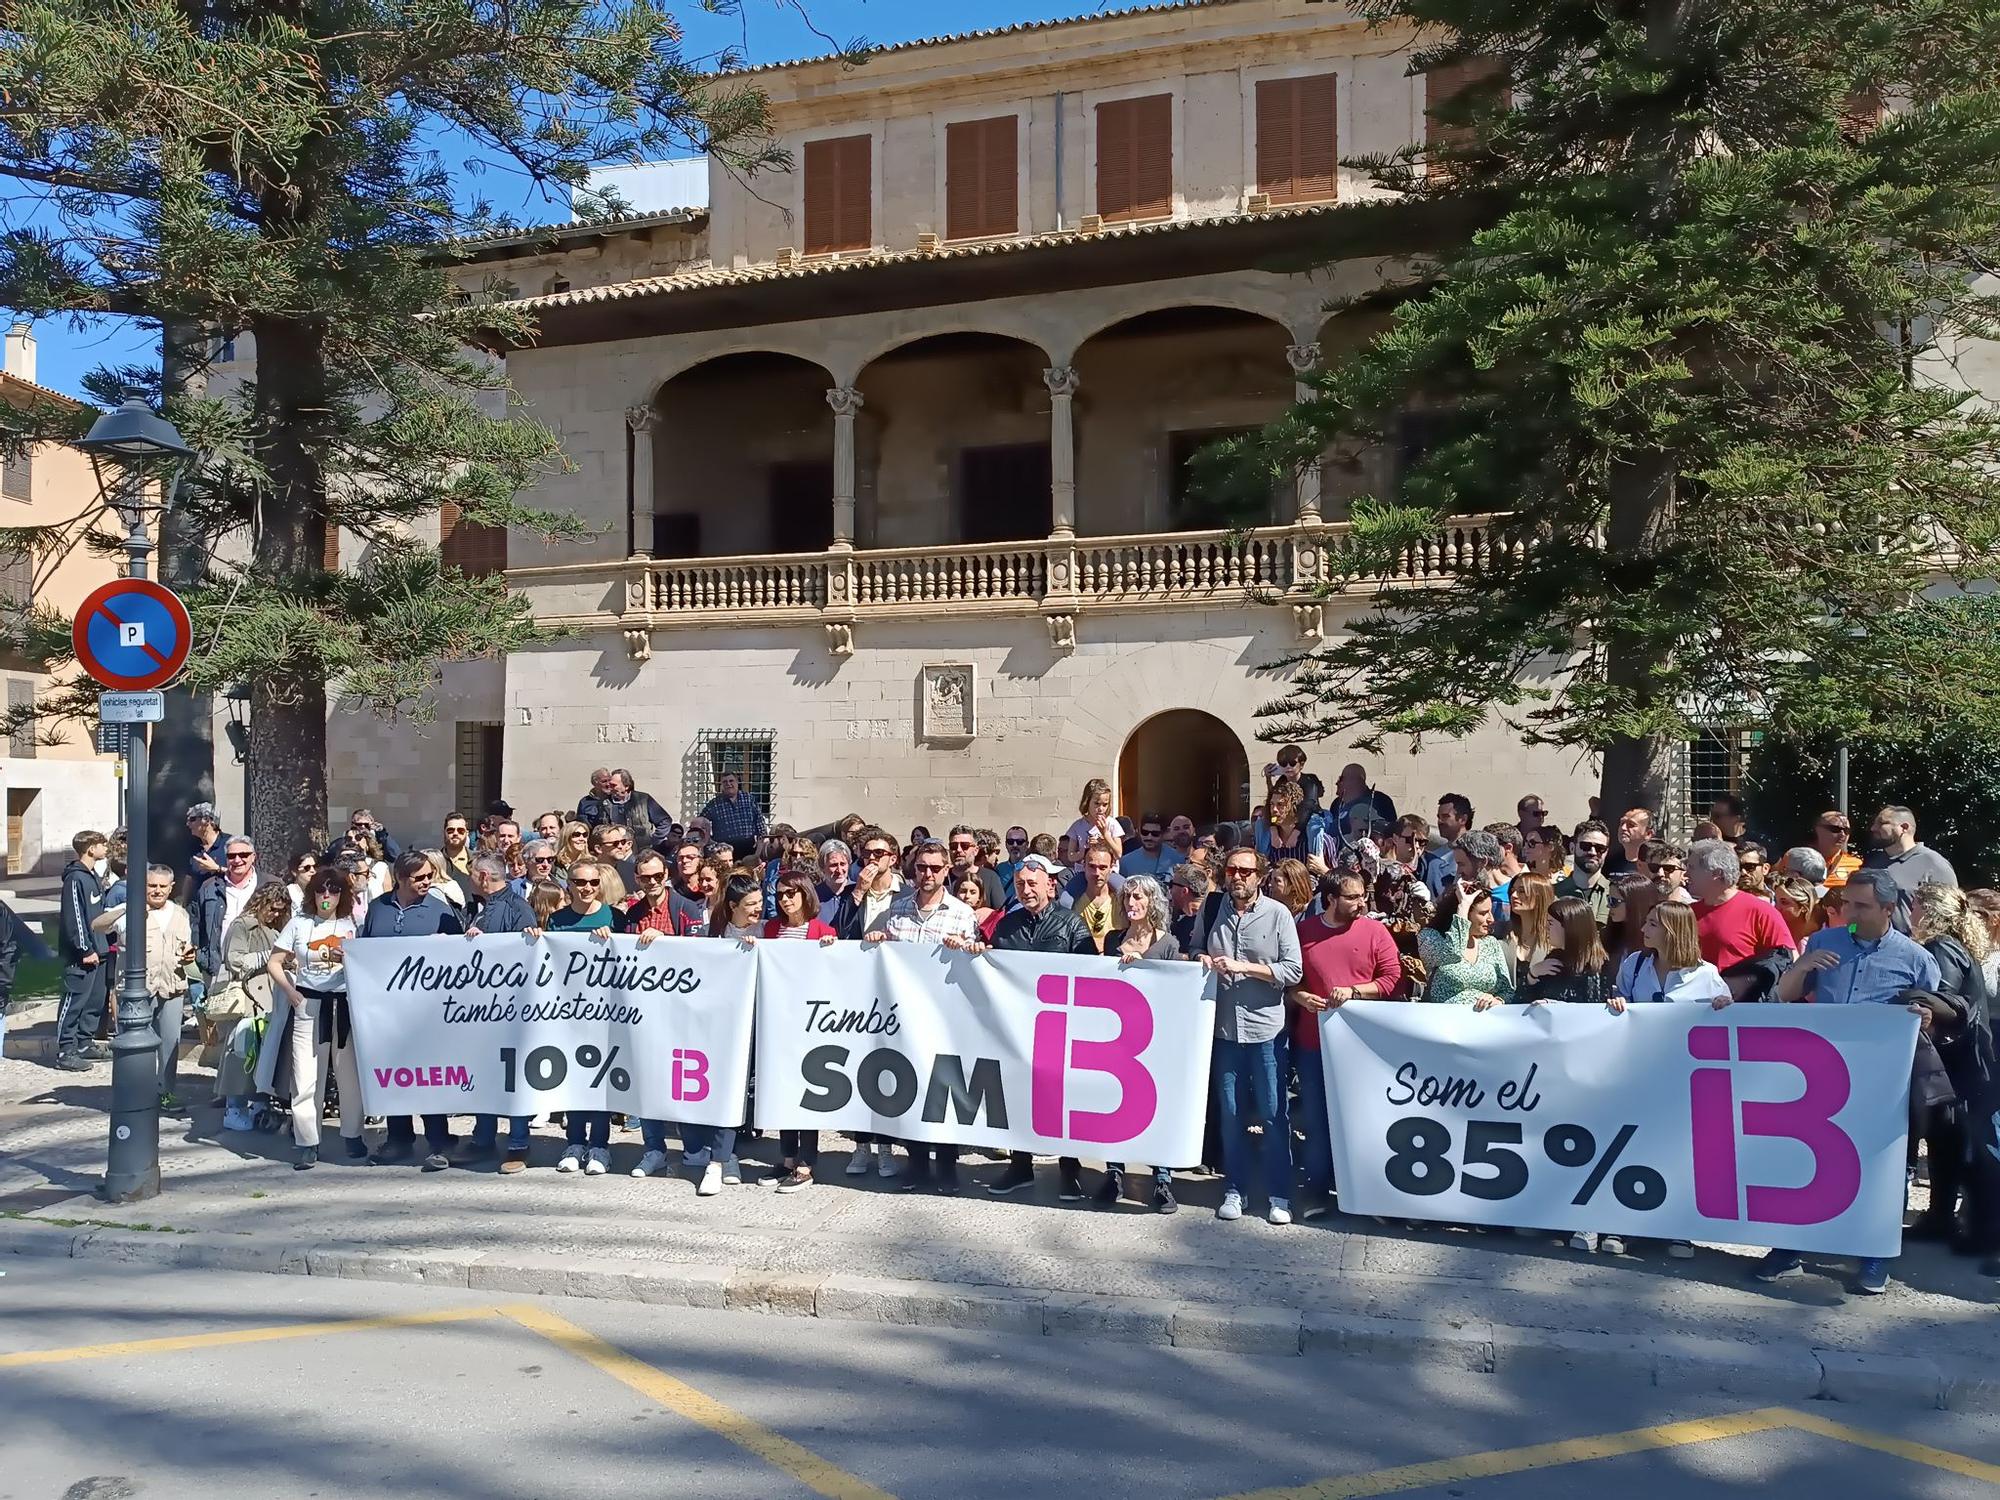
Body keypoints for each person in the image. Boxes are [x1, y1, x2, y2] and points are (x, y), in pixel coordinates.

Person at [1761, 869, 1941, 1293]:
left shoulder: (1915, 958)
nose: (1850, 913)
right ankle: (1789, 1246)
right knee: (1806, 1158)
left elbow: (1933, 1018)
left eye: (1861, 906)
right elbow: (1783, 998)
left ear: (1888, 909)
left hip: (1883, 1083)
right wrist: (1802, 966)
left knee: (1884, 1164)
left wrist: (1925, 1018)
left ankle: (1875, 1255)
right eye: (1847, 905)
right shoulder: (1824, 943)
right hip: (1822, 1078)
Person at [965, 854, 1097, 1199]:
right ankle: (1020, 1166)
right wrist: (979, 952)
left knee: (1061, 1099)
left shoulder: (1073, 925)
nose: (1025, 890)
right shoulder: (1007, 925)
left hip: (1060, 1028)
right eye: (1021, 884)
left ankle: (1070, 1168)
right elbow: (994, 967)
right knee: (1018, 1097)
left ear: (1050, 886)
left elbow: (1090, 976)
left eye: (1032, 884)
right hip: (1019, 1031)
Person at [1191, 848, 1302, 1225]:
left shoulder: (1278, 914)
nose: (1237, 876)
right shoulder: (1212, 907)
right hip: (1224, 1030)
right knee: (1231, 1115)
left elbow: (1293, 971)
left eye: (1245, 871)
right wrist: (1200, 959)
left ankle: (1279, 1195)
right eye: (1232, 869)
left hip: (1266, 1032)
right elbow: (1194, 948)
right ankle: (1234, 1190)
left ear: (1260, 876)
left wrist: (1246, 968)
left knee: (1273, 1116)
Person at [865, 839, 979, 1192]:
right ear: (912, 870)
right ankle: (915, 1165)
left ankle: (946, 1166)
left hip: (946, 1019)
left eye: (934, 868)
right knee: (909, 1089)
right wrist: (877, 938)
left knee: (944, 1090)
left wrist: (967, 949)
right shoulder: (896, 911)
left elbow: (975, 964)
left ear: (947, 871)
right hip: (906, 1019)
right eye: (921, 867)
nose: (927, 874)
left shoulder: (962, 913)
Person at [1291, 870, 1404, 1219]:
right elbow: (1289, 981)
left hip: (1362, 1046)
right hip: (1313, 1044)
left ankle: (1370, 1193)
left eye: (1363, 895)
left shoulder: (1374, 930)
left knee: (1365, 1118)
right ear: (1330, 900)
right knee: (1317, 1118)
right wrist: (1301, 996)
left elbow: (1393, 979)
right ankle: (1316, 1193)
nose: (1362, 903)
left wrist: (1355, 992)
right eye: (1353, 897)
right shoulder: (1304, 932)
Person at [547, 861, 656, 1177]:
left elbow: (632, 957)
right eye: (580, 882)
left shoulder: (615, 917)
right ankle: (575, 1143)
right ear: (570, 883)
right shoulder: (557, 920)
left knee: (601, 1079)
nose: (587, 888)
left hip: (608, 1012)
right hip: (568, 1011)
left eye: (593, 882)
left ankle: (599, 1146)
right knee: (574, 1078)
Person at [1906, 881, 1997, 1258]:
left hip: (1953, 1066)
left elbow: (1942, 999)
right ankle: (1948, 1218)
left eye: (1914, 907)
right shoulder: (1958, 945)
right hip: (1966, 1062)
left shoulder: (1941, 947)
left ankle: (1956, 1223)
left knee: (1953, 1143)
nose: (1909, 914)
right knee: (1954, 1144)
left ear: (1928, 911)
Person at [358, 851, 465, 1169]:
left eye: (430, 876)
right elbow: (365, 950)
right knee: (393, 1075)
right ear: (401, 879)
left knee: (429, 1076)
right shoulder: (378, 908)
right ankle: (398, 1138)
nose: (427, 882)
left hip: (427, 1011)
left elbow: (461, 955)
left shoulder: (440, 910)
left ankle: (438, 1140)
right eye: (419, 878)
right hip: (386, 1011)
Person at [1093, 874, 1186, 1213]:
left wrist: (1145, 968)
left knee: (1157, 1107)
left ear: (1152, 903)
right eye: (1127, 898)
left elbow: (1177, 990)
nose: (1132, 903)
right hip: (1117, 1038)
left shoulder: (1168, 944)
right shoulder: (1114, 939)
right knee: (1115, 1106)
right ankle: (1114, 1174)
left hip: (1156, 1038)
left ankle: (1162, 1180)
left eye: (1139, 898)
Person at [267, 867, 365, 1168]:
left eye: (333, 890)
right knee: (306, 1074)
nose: (327, 896)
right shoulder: (299, 924)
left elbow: (368, 962)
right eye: (321, 890)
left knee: (349, 1073)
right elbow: (274, 961)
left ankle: (353, 1134)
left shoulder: (353, 923)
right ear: (313, 894)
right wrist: (289, 990)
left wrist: (348, 959)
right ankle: (308, 1140)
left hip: (345, 1003)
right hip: (309, 1003)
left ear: (342, 894)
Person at [461, 852, 543, 1172]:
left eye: (472, 874)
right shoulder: (478, 907)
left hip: (510, 1008)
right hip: (480, 1007)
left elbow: (525, 955)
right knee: (484, 1072)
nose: (469, 879)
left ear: (484, 876)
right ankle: (483, 1137)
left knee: (513, 1076)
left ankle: (518, 1142)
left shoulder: (517, 908)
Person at [763, 872, 842, 1194]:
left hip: (809, 1022)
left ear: (806, 894)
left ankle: (807, 1160)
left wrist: (831, 948)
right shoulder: (770, 929)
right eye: (781, 894)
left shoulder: (823, 931)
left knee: (807, 1092)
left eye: (793, 893)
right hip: (777, 1021)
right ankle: (787, 1157)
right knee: (782, 1090)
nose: (786, 899)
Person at [1687, 838, 1796, 998]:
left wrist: (1748, 980)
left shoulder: (1760, 910)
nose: (1686, 873)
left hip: (1742, 1011)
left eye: (1691, 867)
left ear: (1716, 874)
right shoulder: (1687, 913)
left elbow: (1787, 958)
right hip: (1692, 1009)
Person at [136, 865, 197, 1115]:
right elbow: (100, 926)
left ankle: (166, 1092)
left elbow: (187, 945)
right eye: (152, 886)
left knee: (170, 1043)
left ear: (171, 888)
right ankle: (139, 1093)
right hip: (140, 989)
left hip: (173, 986)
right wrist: (126, 911)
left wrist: (189, 955)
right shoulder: (133, 912)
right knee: (140, 1045)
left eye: (163, 886)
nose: (157, 891)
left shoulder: (181, 914)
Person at [52, 830, 111, 1071]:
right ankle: (66, 1050)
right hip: (82, 954)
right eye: (101, 844)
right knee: (74, 1000)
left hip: (100, 949)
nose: (105, 848)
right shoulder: (75, 878)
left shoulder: (92, 876)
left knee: (94, 1001)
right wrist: (85, 948)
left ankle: (85, 1043)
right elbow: (75, 916)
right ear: (89, 848)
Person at [194, 836, 278, 1000]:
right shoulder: (209, 887)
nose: (237, 860)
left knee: (260, 1021)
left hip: (260, 969)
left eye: (243, 855)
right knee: (225, 1021)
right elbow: (197, 924)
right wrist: (202, 958)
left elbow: (284, 925)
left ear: (254, 856)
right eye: (232, 856)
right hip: (220, 968)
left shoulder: (271, 885)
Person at [1615, 901, 1730, 1008]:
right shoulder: (1635, 963)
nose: (1643, 929)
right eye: (1646, 922)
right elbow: (1620, 998)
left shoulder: (1706, 973)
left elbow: (1728, 1012)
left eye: (1653, 924)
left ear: (1673, 931)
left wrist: (1724, 1004)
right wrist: (1617, 1002)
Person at [1418, 880, 1514, 1007]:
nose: (1491, 919)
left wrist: (1498, 1000)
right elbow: (1452, 953)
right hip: (1445, 1022)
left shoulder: (1491, 944)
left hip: (1484, 1022)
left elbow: (1506, 990)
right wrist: (1463, 906)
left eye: (1490, 912)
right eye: (1483, 913)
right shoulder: (1430, 937)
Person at [1862, 804, 1958, 923]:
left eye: (1881, 823)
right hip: (1868, 940)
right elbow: (1855, 912)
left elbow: (1950, 917)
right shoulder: (1872, 863)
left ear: (1904, 827)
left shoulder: (1934, 864)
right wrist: (1851, 934)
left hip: (1915, 941)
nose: (1873, 828)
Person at [1256, 779, 1324, 870]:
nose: (1274, 809)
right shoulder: (1266, 831)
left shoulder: (1314, 835)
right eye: (1271, 804)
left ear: (1295, 807)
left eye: (1280, 804)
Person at [1554, 820, 1613, 921]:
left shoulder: (1614, 895)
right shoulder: (1553, 893)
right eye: (1585, 846)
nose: (1592, 852)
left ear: (1606, 852)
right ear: (1572, 848)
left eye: (1600, 848)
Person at [699, 771, 767, 856]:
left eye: (731, 781)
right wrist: (708, 841)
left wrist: (759, 848)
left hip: (749, 848)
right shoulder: (714, 804)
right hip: (724, 850)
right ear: (721, 785)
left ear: (737, 782)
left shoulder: (749, 799)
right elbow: (700, 822)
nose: (728, 784)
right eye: (725, 782)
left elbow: (759, 821)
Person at [1329, 763, 1397, 846]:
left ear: (1355, 780)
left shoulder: (1380, 800)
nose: (1337, 783)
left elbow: (1391, 830)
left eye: (1341, 778)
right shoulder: (1336, 804)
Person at [1070, 841, 1121, 952]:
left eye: (1103, 867)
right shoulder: (1072, 903)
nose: (1097, 873)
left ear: (1111, 868)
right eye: (1092, 866)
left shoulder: (1124, 903)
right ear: (1084, 865)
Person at [1065, 777, 1124, 862]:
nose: (1101, 809)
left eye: (1105, 805)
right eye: (1097, 804)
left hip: (1108, 872)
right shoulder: (1077, 826)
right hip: (1083, 871)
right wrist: (1085, 850)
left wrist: (1105, 835)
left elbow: (1118, 854)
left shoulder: (1112, 824)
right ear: (1087, 802)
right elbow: (1071, 856)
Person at [1507, 874, 1557, 974]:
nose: (1514, 896)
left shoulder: (1555, 940)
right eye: (1512, 891)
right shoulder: (1503, 935)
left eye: (1521, 891)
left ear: (1540, 896)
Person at [1265, 744, 1326, 816]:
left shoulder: (1310, 781)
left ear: (1301, 764)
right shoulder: (1282, 780)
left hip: (1310, 820)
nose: (1288, 767)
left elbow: (1308, 807)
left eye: (1292, 763)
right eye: (1283, 763)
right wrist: (1268, 779)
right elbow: (1272, 799)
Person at [1810, 810, 1863, 891]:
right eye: (1835, 829)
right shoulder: (1797, 859)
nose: (1842, 834)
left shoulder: (1856, 865)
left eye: (1846, 831)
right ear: (1817, 829)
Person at [1119, 813, 1179, 880]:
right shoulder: (1125, 862)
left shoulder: (1177, 859)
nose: (1149, 837)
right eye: (1145, 832)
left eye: (1155, 834)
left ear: (1163, 834)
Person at [1168, 863, 1210, 955]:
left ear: (1184, 891)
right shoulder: (1173, 915)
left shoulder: (1210, 918)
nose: (1169, 890)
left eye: (1172, 884)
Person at [952, 866, 1002, 941]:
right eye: (963, 891)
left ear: (979, 897)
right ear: (956, 894)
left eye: (973, 892)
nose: (967, 896)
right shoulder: (946, 914)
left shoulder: (988, 919)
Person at [1605, 808, 1652, 878]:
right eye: (1622, 823)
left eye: (1631, 824)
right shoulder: (1609, 862)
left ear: (1648, 834)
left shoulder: (1653, 868)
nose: (1623, 828)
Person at [440, 813, 475, 884]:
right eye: (450, 830)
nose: (455, 833)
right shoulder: (435, 861)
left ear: (467, 833)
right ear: (444, 832)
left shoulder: (477, 860)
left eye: (460, 830)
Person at [285, 851, 318, 916]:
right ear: (294, 872)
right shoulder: (288, 893)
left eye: (315, 866)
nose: (313, 870)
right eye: (307, 868)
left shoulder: (320, 891)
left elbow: (326, 907)